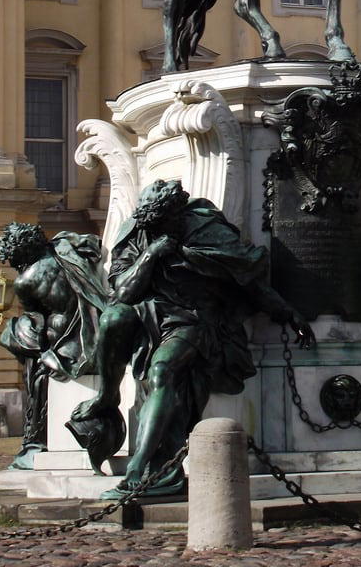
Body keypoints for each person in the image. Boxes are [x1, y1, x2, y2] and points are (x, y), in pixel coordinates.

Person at [71, 179, 315, 498]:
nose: (153, 231)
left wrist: (286, 311)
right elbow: (122, 294)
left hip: (193, 316)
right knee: (113, 317)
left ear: (176, 215)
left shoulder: (205, 229)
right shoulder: (141, 231)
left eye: (160, 225)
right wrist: (153, 254)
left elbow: (246, 277)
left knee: (162, 372)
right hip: (150, 311)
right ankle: (106, 397)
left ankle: (139, 468)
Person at [0, 223, 107, 468]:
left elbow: (35, 321)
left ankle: (35, 441)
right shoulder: (65, 243)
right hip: (91, 323)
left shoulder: (25, 281)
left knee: (20, 344)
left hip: (67, 341)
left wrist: (17, 333)